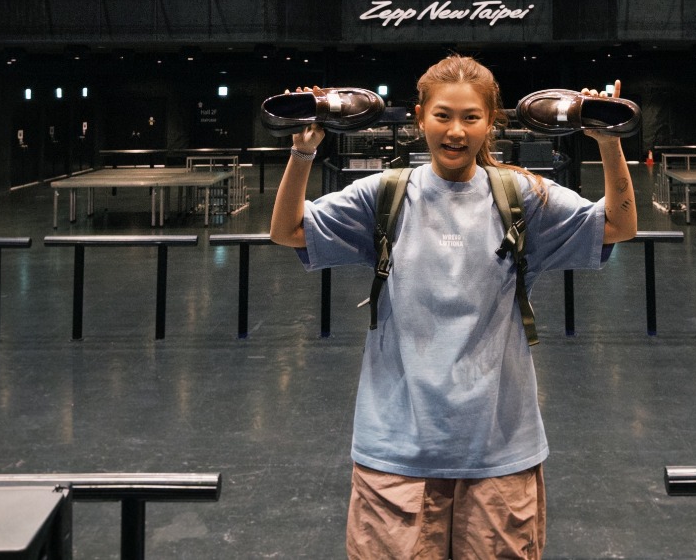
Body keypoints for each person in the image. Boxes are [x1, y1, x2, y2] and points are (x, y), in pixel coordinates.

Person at [269, 54, 637, 559]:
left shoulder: (521, 196)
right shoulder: (385, 195)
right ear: (421, 117)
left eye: (471, 117)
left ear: (490, 122)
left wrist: (609, 143)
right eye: (443, 115)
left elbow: (618, 225)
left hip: (499, 453)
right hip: (396, 452)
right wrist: (303, 151)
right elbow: (288, 230)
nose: (456, 131)